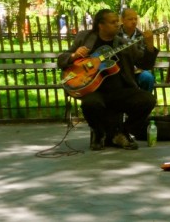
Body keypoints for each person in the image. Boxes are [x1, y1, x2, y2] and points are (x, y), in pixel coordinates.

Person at [58, 9, 158, 151]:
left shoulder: (123, 43)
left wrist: (149, 46)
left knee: (148, 100)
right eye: (113, 22)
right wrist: (74, 56)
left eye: (118, 21)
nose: (118, 25)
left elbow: (145, 64)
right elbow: (62, 59)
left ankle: (122, 132)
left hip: (120, 91)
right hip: (93, 90)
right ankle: (98, 133)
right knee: (90, 104)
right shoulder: (85, 38)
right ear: (101, 25)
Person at [119, 8, 156, 92]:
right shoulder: (115, 34)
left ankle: (145, 103)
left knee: (148, 77)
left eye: (135, 19)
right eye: (130, 19)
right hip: (119, 73)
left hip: (138, 72)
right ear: (122, 20)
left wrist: (150, 45)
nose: (134, 21)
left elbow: (147, 61)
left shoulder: (142, 36)